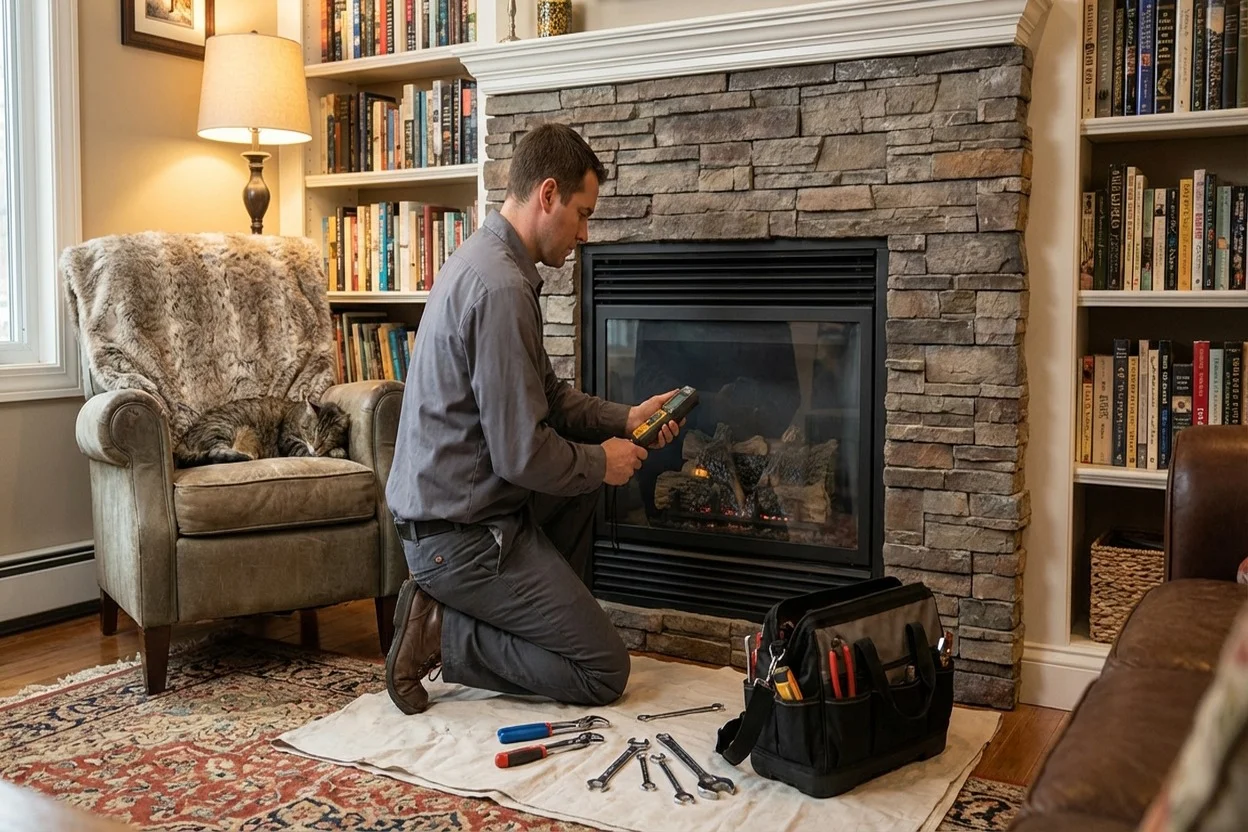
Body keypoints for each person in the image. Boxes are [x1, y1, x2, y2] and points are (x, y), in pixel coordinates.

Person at [383, 123, 681, 714]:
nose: (584, 233)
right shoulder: (500, 289)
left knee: (582, 483)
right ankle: (443, 629)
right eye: (581, 213)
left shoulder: (495, 264)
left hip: (468, 516)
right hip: (458, 539)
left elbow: (547, 396)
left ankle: (534, 624)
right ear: (548, 195)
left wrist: (624, 419)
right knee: (602, 670)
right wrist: (603, 463)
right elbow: (520, 454)